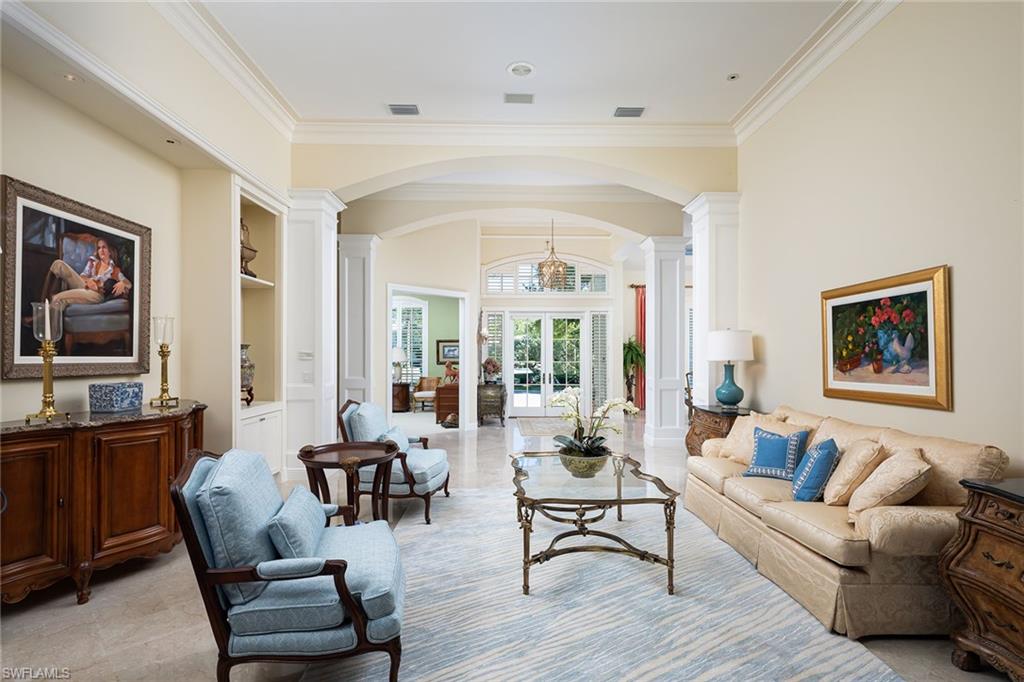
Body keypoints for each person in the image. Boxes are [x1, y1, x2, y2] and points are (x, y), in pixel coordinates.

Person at [42, 238, 132, 308]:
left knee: (58, 298)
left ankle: (41, 319)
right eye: (99, 248)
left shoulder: (115, 269)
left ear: (110, 251)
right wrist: (88, 281)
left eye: (104, 247)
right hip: (84, 286)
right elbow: (82, 276)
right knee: (58, 264)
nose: (101, 250)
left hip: (96, 294)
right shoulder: (93, 262)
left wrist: (122, 283)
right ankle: (42, 302)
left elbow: (129, 284)